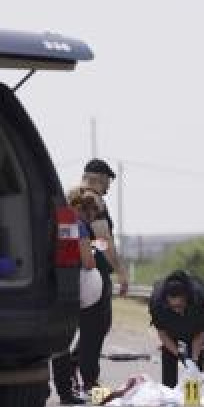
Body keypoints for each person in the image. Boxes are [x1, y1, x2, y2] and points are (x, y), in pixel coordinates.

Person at [74, 158, 128, 391]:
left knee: (90, 326)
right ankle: (88, 378)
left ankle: (76, 368)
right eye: (107, 182)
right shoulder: (93, 200)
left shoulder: (73, 197)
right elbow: (102, 239)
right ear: (100, 178)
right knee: (96, 327)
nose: (108, 189)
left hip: (78, 272)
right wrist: (120, 271)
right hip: (94, 274)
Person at [52, 187, 101, 404]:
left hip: (52, 282)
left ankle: (57, 387)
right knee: (64, 338)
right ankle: (65, 391)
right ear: (82, 208)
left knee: (56, 338)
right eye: (92, 213)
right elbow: (88, 263)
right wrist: (93, 250)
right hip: (70, 285)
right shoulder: (78, 226)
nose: (93, 218)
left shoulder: (59, 220)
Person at [149, 270, 204, 388]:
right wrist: (179, 354)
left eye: (179, 306)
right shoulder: (157, 303)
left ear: (186, 297)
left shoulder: (199, 298)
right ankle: (169, 389)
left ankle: (195, 386)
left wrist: (193, 361)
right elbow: (162, 333)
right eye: (172, 306)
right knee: (169, 350)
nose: (176, 310)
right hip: (172, 325)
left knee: (193, 358)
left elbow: (200, 333)